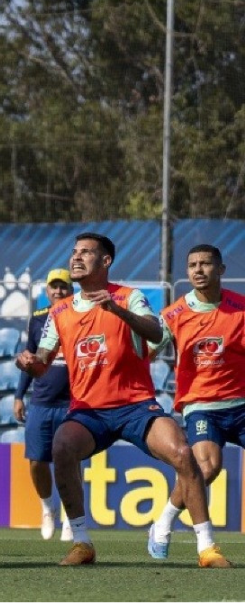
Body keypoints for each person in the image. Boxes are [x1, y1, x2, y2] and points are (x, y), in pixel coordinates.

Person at [16, 232, 230, 568]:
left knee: (183, 453)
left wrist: (115, 310)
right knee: (61, 447)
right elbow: (42, 363)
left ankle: (207, 548)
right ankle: (81, 542)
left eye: (86, 252)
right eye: (74, 252)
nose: (76, 257)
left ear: (105, 261)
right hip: (89, 412)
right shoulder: (59, 312)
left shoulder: (130, 297)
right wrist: (30, 362)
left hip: (136, 407)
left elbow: (157, 334)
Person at [148, 244, 245, 560]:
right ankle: (163, 523)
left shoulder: (241, 308)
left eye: (205, 263)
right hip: (202, 404)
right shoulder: (173, 314)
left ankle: (164, 520)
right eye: (192, 265)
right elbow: (143, 352)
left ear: (221, 270)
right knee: (207, 467)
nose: (198, 270)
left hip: (241, 403)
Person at [14, 268, 74, 542]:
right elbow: (28, 360)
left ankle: (73, 516)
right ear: (47, 291)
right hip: (41, 401)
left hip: (72, 402)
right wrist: (18, 395)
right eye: (54, 287)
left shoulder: (80, 316)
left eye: (64, 287)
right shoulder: (37, 320)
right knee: (37, 461)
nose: (59, 291)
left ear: (71, 290)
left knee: (69, 461)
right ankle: (48, 507)